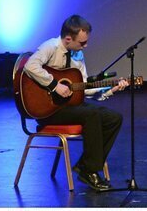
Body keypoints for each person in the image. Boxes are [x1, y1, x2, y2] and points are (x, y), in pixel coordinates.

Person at [23, 15, 127, 191]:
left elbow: (83, 88)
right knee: (91, 114)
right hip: (48, 109)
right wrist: (55, 85)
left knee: (113, 118)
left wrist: (110, 89)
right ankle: (90, 170)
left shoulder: (78, 54)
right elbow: (30, 66)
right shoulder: (50, 47)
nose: (85, 46)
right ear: (68, 38)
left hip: (70, 106)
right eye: (82, 42)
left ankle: (86, 166)